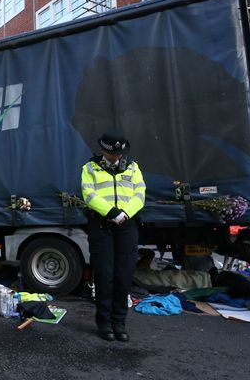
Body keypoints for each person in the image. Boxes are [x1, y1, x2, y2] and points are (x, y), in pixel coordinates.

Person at [81, 131, 146, 342]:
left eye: (119, 154)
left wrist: (125, 213)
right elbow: (88, 194)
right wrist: (111, 213)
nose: (116, 158)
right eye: (112, 154)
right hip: (102, 225)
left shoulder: (133, 167)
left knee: (123, 275)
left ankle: (120, 323)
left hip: (127, 225)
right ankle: (104, 323)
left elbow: (139, 193)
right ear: (102, 150)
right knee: (104, 275)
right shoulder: (90, 168)